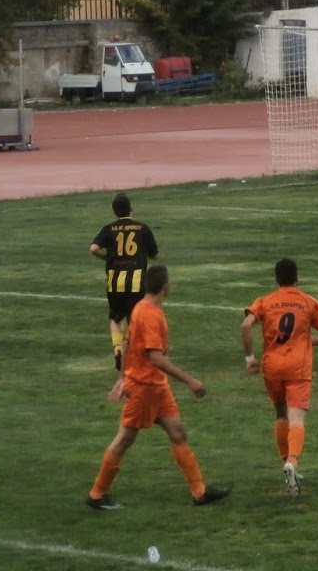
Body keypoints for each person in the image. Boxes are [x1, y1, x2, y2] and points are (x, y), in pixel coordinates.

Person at [86, 264, 230, 510]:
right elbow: (156, 358)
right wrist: (190, 380)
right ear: (165, 286)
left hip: (156, 387)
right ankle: (97, 494)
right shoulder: (150, 314)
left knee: (178, 433)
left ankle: (200, 492)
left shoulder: (139, 307)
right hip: (144, 387)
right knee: (124, 439)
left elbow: (128, 343)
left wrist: (123, 376)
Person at [241, 258, 318, 498]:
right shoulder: (308, 301)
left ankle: (285, 463)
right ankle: (292, 461)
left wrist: (250, 358)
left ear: (276, 278)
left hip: (272, 367)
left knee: (281, 414)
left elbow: (246, 325)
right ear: (297, 278)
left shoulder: (266, 301)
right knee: (297, 419)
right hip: (298, 367)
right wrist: (304, 340)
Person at [90, 192, 159, 376]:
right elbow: (154, 254)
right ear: (131, 208)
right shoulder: (142, 228)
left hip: (115, 281)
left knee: (116, 319)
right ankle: (135, 354)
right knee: (135, 320)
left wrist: (107, 257)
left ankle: (118, 349)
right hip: (136, 280)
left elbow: (93, 248)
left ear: (114, 211)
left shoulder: (108, 229)